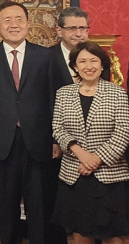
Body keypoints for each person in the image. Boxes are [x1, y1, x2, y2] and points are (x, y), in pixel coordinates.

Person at [0, 0, 66, 244]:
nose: (14, 25)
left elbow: (58, 100)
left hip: (40, 142)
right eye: (7, 20)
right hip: (3, 143)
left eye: (19, 19)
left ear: (27, 23)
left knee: (40, 205)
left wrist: (57, 139)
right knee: (6, 206)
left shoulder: (46, 56)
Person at [52, 41, 129, 244]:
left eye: (94, 60)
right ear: (75, 66)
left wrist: (96, 159)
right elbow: (58, 129)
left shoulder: (117, 93)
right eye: (82, 61)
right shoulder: (63, 93)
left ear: (102, 65)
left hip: (110, 177)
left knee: (114, 236)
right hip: (74, 174)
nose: (89, 66)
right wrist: (81, 154)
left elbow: (123, 132)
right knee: (80, 233)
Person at [51, 7, 92, 83]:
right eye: (72, 28)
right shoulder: (45, 58)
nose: (78, 34)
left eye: (82, 28)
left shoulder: (98, 58)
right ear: (59, 31)